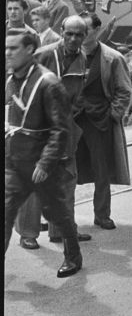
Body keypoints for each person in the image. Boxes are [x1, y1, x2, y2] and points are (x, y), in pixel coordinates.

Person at [4, 27, 84, 278]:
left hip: (42, 164)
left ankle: (73, 257)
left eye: (13, 48)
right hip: (16, 162)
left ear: (29, 50)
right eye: (6, 48)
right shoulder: (11, 79)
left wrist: (46, 163)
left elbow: (61, 130)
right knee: (5, 211)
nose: (7, 53)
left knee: (56, 213)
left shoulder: (48, 83)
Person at [31, 16, 93, 247]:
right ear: (61, 31)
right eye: (69, 33)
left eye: (79, 34)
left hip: (64, 128)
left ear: (84, 36)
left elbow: (80, 90)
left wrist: (70, 113)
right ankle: (28, 234)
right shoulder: (45, 54)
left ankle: (63, 231)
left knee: (67, 179)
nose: (73, 39)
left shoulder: (82, 57)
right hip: (38, 127)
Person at [73, 12, 132, 230]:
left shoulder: (112, 58)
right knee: (67, 170)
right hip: (73, 120)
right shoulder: (67, 55)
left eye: (85, 30)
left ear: (96, 31)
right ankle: (65, 218)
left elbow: (124, 91)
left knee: (102, 169)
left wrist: (113, 115)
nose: (79, 35)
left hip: (100, 121)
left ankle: (102, 214)